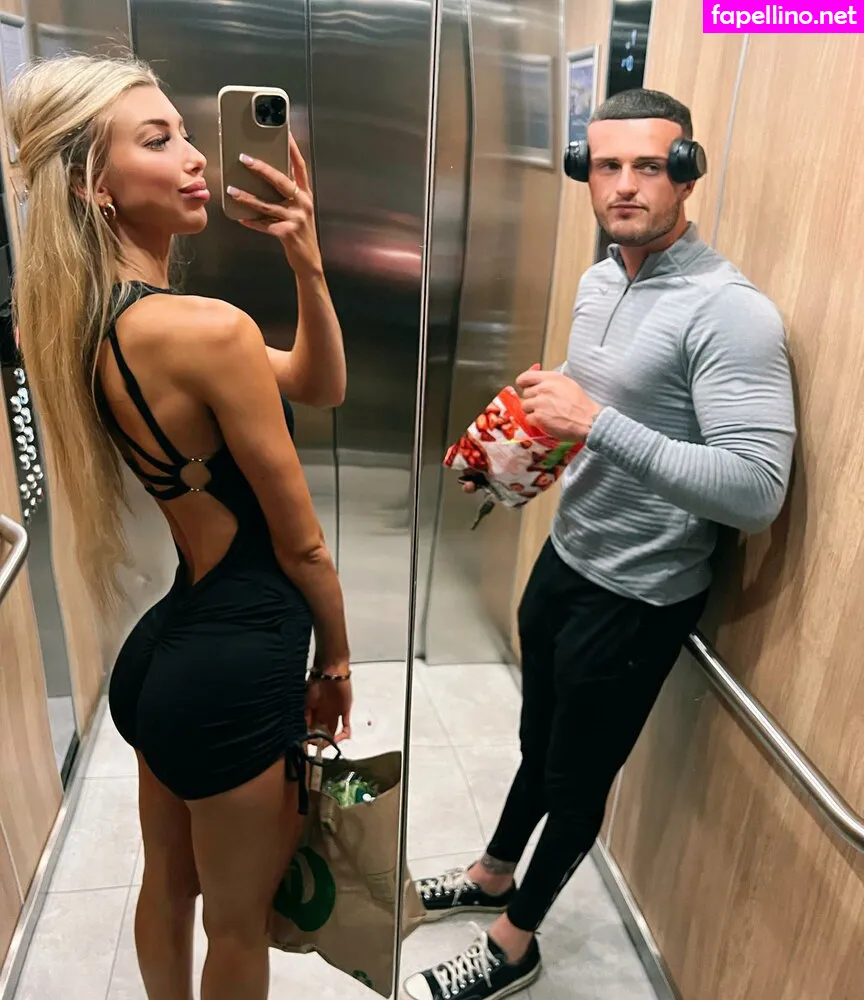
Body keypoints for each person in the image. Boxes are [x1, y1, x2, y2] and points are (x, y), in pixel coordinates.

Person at [401, 88, 797, 1000]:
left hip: (640, 594)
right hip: (568, 556)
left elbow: (755, 491)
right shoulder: (599, 281)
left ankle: (513, 944)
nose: (624, 185)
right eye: (606, 165)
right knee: (538, 738)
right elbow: (592, 408)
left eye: (649, 166)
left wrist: (595, 421)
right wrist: (512, 453)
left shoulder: (731, 312)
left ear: (687, 174)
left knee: (578, 779)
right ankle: (492, 872)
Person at [8, 54, 353, 1000]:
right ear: (94, 185)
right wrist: (335, 662)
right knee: (237, 923)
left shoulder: (92, 321)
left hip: (166, 660)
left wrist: (306, 258)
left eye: (188, 134)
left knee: (167, 886)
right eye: (158, 141)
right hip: (236, 667)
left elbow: (317, 384)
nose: (197, 157)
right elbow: (303, 546)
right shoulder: (204, 330)